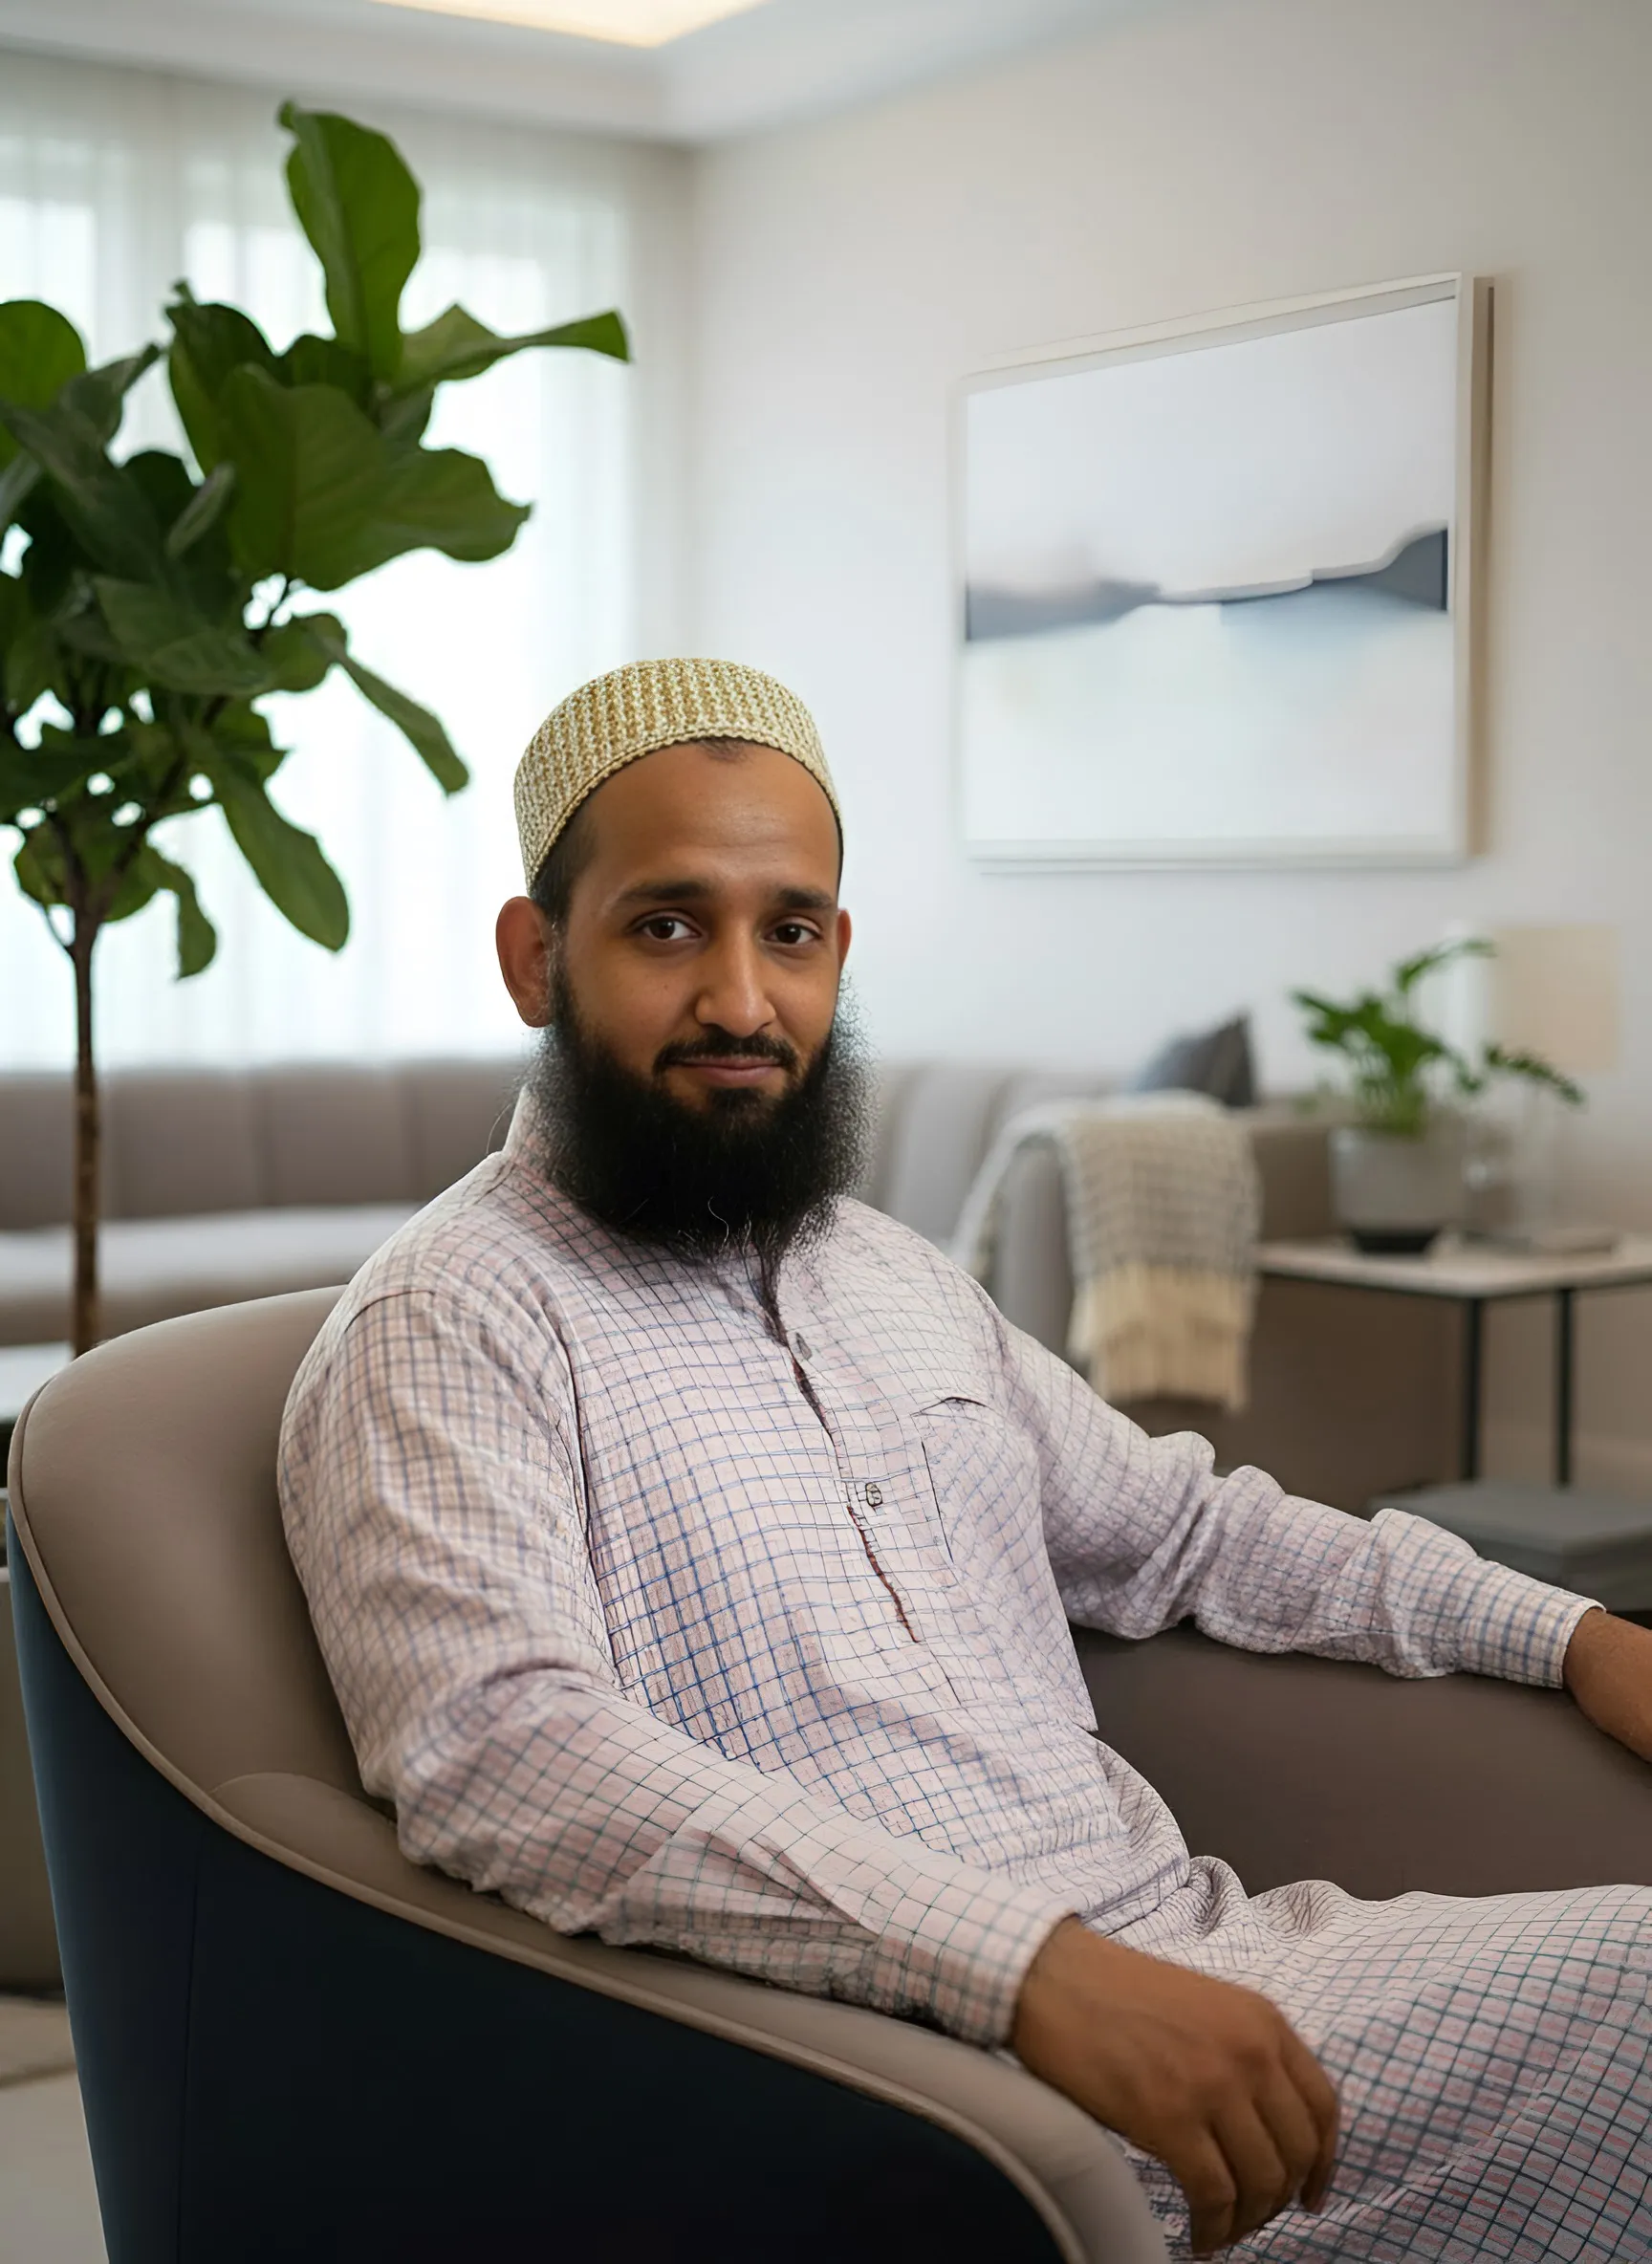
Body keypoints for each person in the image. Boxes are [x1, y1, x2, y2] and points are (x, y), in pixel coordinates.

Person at [280, 657, 1652, 2260]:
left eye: (788, 930)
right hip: (899, 2080)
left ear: (837, 951)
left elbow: (1188, 1533)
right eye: (668, 926)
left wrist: (1576, 1634)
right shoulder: (449, 1320)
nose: (741, 999)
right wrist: (1029, 1970)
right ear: (536, 958)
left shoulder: (898, 1275)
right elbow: (509, 1752)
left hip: (1216, 1972)